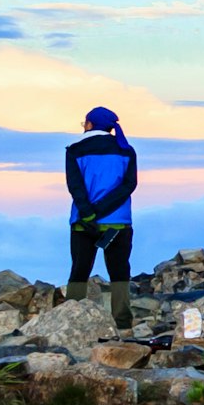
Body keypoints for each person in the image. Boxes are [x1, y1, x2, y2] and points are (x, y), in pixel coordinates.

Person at [64, 107, 140, 328]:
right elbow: (128, 186)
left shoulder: (75, 150)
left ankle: (72, 321)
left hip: (83, 223)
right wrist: (103, 210)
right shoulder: (126, 150)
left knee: (79, 270)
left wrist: (89, 214)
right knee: (119, 271)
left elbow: (75, 186)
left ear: (89, 124)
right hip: (118, 222)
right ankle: (123, 323)